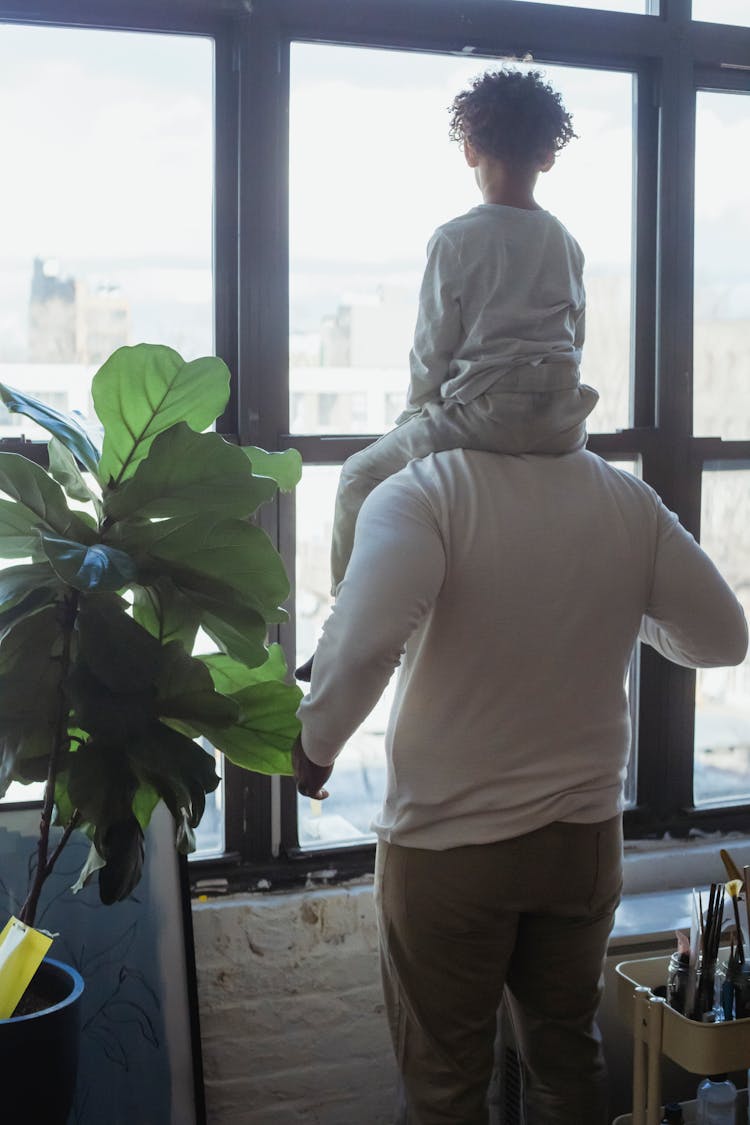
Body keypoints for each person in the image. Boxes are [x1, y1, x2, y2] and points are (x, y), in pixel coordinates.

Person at [292, 446, 748, 1125]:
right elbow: (722, 635)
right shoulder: (624, 499)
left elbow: (359, 648)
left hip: (448, 849)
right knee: (566, 1068)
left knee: (445, 1087)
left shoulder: (424, 489)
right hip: (582, 845)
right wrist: (620, 605)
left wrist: (314, 749)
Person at [295, 67, 597, 681]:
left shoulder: (456, 239)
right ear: (548, 155)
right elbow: (576, 338)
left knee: (357, 477)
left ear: (469, 150)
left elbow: (431, 350)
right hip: (560, 425)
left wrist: (415, 419)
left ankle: (344, 632)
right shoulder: (566, 242)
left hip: (482, 419)